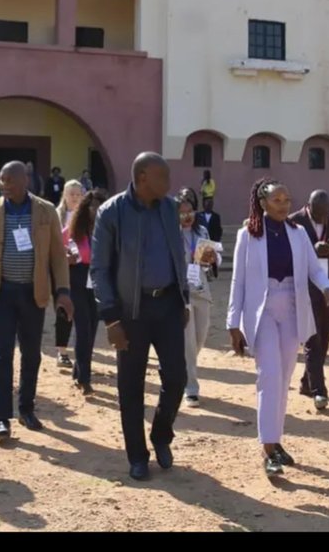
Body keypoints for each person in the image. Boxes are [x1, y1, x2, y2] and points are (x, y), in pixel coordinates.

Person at [91, 152, 203, 481]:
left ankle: (161, 435)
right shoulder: (112, 212)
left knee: (177, 377)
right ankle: (137, 456)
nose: (169, 183)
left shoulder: (169, 208)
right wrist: (111, 319)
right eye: (162, 177)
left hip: (168, 306)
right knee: (131, 385)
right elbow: (100, 269)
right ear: (142, 177)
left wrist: (183, 300)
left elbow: (177, 255)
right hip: (130, 311)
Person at [229, 179, 329, 477]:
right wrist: (233, 323)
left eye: (287, 200)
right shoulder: (248, 235)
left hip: (292, 309)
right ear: (262, 203)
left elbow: (314, 269)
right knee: (269, 376)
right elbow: (238, 281)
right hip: (263, 310)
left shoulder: (298, 233)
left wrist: (328, 288)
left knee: (283, 379)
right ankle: (268, 449)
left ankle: (276, 440)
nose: (283, 205)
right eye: (276, 200)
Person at [0, 161, 73, 442]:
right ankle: (2, 418)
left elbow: (57, 256)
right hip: (1, 293)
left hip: (32, 294)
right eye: (1, 180)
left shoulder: (46, 211)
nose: (4, 185)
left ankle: (26, 408)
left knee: (31, 353)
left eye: (10, 181)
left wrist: (63, 291)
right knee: (2, 354)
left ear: (24, 181)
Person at [291, 189, 329, 410]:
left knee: (323, 338)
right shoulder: (294, 222)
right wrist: (312, 251)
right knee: (312, 338)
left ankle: (307, 383)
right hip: (304, 289)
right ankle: (319, 390)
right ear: (309, 207)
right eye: (319, 214)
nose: (323, 219)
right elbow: (287, 257)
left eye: (327, 214)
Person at [180, 191, 222, 407]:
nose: (187, 216)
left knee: (199, 338)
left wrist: (213, 257)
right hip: (181, 293)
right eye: (182, 212)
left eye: (190, 211)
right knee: (188, 341)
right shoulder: (171, 234)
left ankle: (180, 365)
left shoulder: (202, 231)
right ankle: (191, 388)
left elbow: (215, 257)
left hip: (201, 289)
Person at [65, 188, 107, 394]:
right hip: (77, 280)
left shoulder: (107, 230)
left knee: (92, 328)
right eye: (92, 206)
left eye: (100, 206)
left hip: (97, 282)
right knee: (83, 329)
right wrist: (66, 258)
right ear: (85, 208)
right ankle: (85, 378)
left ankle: (78, 371)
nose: (96, 210)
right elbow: (57, 251)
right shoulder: (74, 230)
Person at [53, 180, 85, 370]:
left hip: (81, 269)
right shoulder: (56, 215)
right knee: (63, 309)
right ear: (64, 195)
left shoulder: (88, 216)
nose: (75, 197)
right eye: (71, 194)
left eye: (78, 194)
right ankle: (62, 351)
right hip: (61, 268)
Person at [199, 196, 224, 279]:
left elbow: (218, 229)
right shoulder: (199, 216)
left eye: (210, 203)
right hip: (202, 241)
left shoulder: (216, 216)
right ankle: (204, 274)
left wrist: (216, 239)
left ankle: (214, 272)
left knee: (213, 258)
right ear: (203, 204)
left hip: (212, 240)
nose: (209, 204)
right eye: (207, 203)